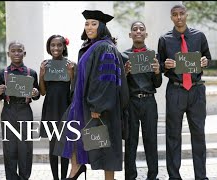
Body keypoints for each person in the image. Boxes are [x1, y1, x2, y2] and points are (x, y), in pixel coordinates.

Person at [53, 10, 129, 180]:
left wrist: (98, 106)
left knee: (106, 145)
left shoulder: (105, 47)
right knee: (71, 134)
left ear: (101, 26)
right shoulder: (90, 46)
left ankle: (108, 178)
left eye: (93, 24)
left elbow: (106, 80)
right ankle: (76, 169)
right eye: (87, 24)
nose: (89, 27)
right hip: (83, 103)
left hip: (99, 106)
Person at [157, 4, 211, 180]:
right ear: (171, 17)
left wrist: (204, 61)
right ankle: (174, 177)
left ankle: (201, 177)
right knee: (173, 135)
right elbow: (160, 65)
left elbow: (207, 57)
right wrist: (165, 65)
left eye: (181, 14)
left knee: (199, 134)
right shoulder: (164, 39)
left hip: (196, 91)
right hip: (176, 90)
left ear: (186, 15)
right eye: (175, 15)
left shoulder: (199, 36)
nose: (179, 17)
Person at [0, 41, 40, 180]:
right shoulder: (2, 73)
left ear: (24, 53)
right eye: (13, 51)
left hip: (25, 110)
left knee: (25, 146)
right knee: (9, 147)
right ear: (8, 54)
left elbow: (36, 95)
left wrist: (35, 92)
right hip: (8, 110)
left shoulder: (31, 73)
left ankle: (24, 177)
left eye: (19, 50)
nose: (16, 53)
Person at [122, 21, 161, 180]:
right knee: (130, 141)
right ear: (130, 34)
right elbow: (120, 85)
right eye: (135, 29)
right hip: (131, 102)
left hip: (149, 101)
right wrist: (124, 73)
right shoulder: (123, 56)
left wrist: (158, 72)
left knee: (151, 140)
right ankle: (130, 176)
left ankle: (153, 176)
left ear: (146, 34)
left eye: (142, 29)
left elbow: (157, 84)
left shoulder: (154, 55)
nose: (138, 31)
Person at [39, 35, 76, 180]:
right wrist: (41, 75)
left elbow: (74, 90)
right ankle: (55, 177)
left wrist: (71, 74)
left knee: (65, 145)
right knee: (53, 145)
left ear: (64, 47)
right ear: (49, 47)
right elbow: (42, 92)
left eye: (59, 45)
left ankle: (64, 177)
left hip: (65, 107)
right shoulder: (45, 65)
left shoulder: (70, 65)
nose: (56, 48)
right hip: (50, 108)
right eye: (52, 45)